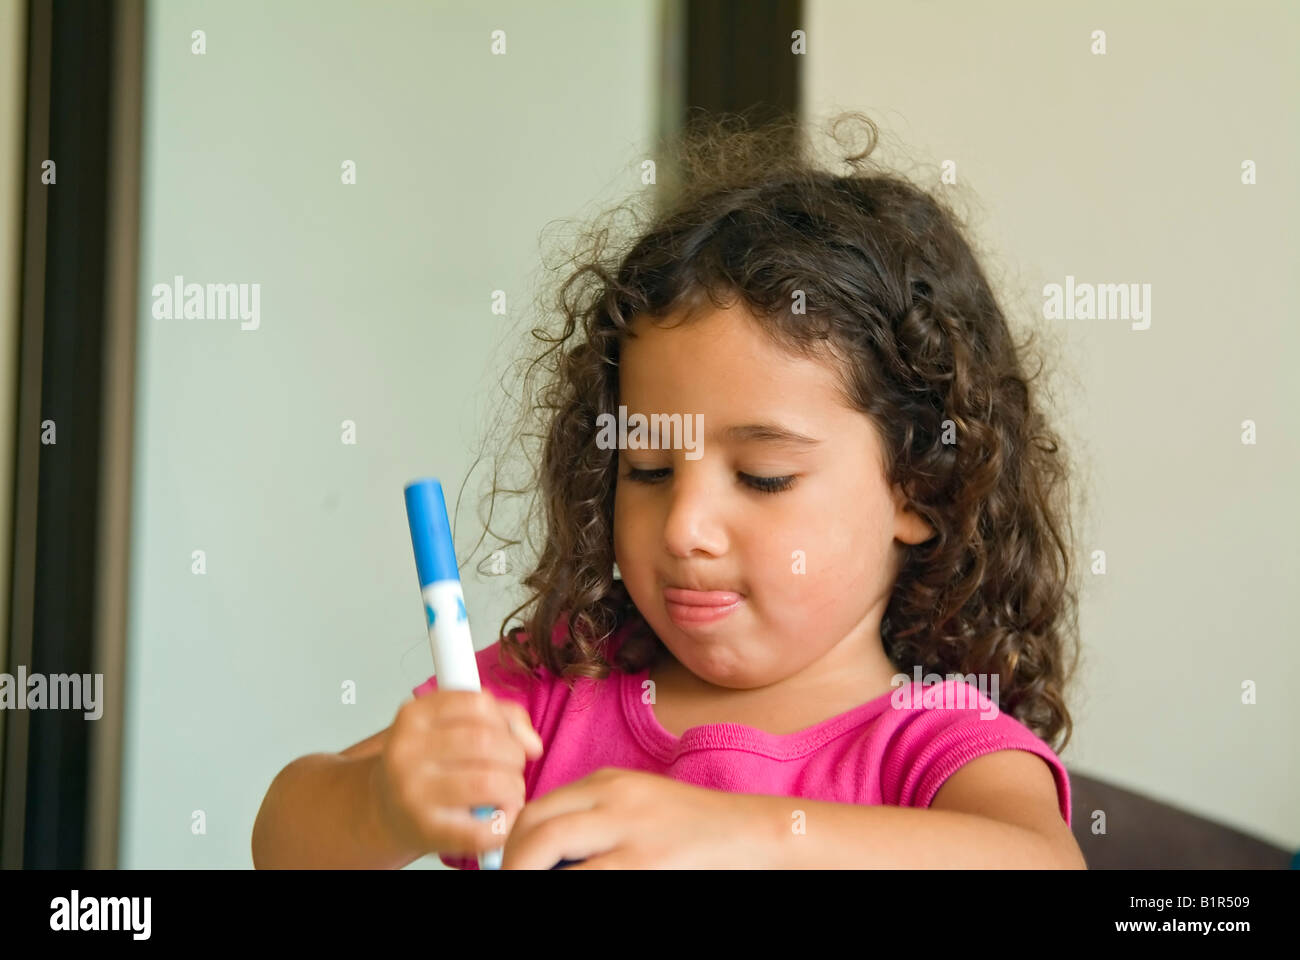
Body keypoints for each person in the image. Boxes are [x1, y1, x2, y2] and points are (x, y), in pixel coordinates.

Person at [252, 112, 1085, 869]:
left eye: (763, 477)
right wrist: (385, 809)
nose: (684, 526)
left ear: (920, 487)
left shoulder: (936, 742)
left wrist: (741, 835)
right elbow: (285, 839)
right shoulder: (555, 689)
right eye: (648, 470)